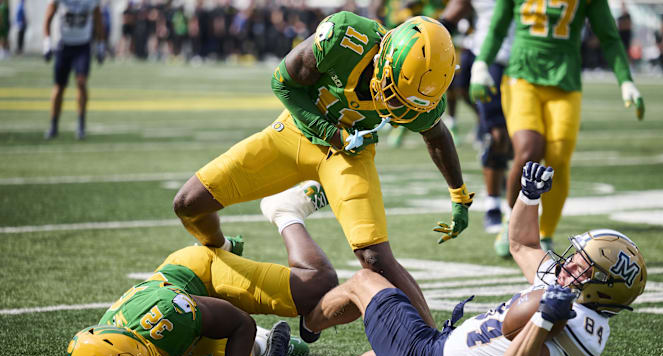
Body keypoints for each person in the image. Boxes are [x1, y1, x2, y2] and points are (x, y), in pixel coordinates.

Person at [249, 161, 647, 356]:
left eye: (580, 264)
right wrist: (528, 197)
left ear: (598, 286)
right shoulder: (569, 292)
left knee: (366, 280)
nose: (568, 262)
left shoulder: (579, 328)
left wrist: (542, 321)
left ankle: (310, 324)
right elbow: (522, 243)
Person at [173, 12, 474, 331]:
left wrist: (459, 195)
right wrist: (334, 135)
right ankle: (221, 248)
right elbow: (283, 84)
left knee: (375, 258)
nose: (395, 109)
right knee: (188, 203)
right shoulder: (346, 39)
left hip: (349, 156)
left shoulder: (416, 94)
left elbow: (436, 135)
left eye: (406, 104)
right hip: (294, 133)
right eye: (393, 93)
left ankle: (435, 346)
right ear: (385, 59)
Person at [66, 181, 336, 356]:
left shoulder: (171, 313)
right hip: (185, 316)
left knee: (316, 287)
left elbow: (241, 323)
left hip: (201, 274)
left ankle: (285, 212)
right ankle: (270, 342)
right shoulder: (104, 351)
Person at [469, 0, 645, 257]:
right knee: (528, 151)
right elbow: (497, 28)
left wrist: (626, 81)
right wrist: (481, 63)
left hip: (565, 80)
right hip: (522, 74)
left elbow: (608, 36)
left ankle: (545, 233)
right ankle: (511, 221)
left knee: (558, 159)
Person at [442, 0, 514, 235]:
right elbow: (455, 11)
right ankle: (493, 205)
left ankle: (517, 208)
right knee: (496, 135)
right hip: (484, 57)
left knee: (527, 141)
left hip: (524, 61)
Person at [43, 0, 106, 140]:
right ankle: (54, 125)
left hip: (82, 46)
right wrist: (46, 43)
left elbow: (98, 20)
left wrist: (101, 45)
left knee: (81, 83)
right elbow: (48, 17)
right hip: (63, 45)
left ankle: (81, 125)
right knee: (59, 87)